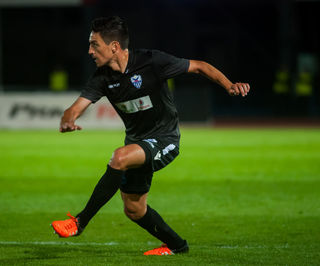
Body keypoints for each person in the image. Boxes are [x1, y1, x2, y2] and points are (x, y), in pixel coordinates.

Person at [51, 16, 250, 256]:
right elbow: (74, 108)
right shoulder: (102, 78)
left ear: (114, 47)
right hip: (138, 144)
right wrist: (68, 120)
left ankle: (80, 222)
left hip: (165, 139)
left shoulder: (151, 61)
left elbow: (199, 66)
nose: (90, 51)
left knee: (119, 157)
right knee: (134, 209)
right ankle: (178, 246)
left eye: (95, 45)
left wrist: (229, 85)